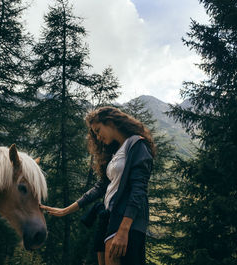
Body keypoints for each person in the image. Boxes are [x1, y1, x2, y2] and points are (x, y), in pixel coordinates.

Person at [41, 106, 155, 265]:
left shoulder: (137, 145)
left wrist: (123, 231)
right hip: (111, 217)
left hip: (126, 222)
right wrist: (65, 210)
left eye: (98, 130)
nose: (98, 137)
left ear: (110, 122)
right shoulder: (116, 152)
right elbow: (100, 187)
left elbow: (139, 190)